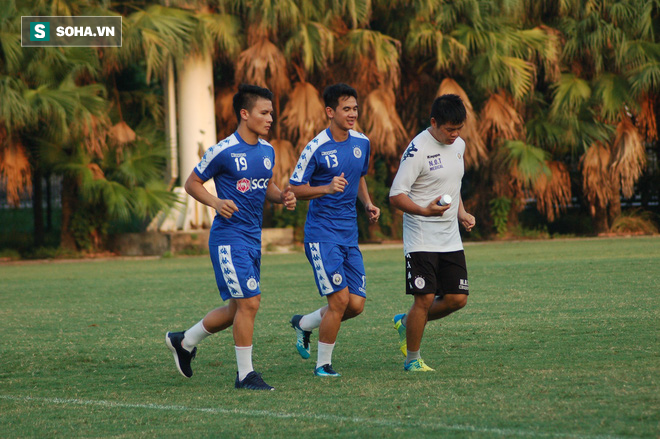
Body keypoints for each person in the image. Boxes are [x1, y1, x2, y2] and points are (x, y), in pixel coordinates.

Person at [166, 84, 296, 391]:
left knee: (237, 309)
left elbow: (266, 186)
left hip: (253, 239)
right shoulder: (223, 150)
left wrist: (282, 197)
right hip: (228, 239)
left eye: (271, 113)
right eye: (264, 113)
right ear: (244, 113)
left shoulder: (268, 151)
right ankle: (245, 375)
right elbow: (192, 182)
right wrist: (215, 202)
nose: (270, 119)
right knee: (250, 303)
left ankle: (184, 341)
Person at [288, 83, 380, 377]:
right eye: (346, 109)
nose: (353, 113)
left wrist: (367, 203)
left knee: (356, 304)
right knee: (339, 301)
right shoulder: (316, 147)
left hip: (348, 235)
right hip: (321, 235)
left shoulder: (362, 142)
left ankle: (305, 324)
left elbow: (359, 177)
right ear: (330, 112)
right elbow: (295, 189)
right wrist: (326, 188)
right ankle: (323, 365)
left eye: (355, 108)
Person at [389, 94, 476, 372]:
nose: (455, 134)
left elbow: (453, 182)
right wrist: (424, 211)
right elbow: (395, 195)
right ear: (434, 122)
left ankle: (406, 321)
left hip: (450, 238)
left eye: (459, 128)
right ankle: (412, 359)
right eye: (450, 129)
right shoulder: (418, 150)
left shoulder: (459, 144)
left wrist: (461, 212)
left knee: (457, 299)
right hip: (421, 238)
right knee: (424, 300)